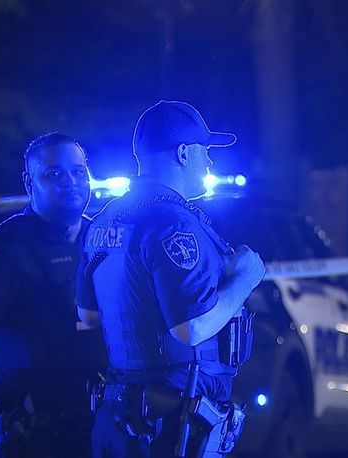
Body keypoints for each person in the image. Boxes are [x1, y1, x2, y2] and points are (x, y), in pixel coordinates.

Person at [77, 100, 265, 457]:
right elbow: (190, 328)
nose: (209, 161)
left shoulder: (104, 219)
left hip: (120, 413)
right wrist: (245, 278)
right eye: (204, 151)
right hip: (168, 423)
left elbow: (89, 316)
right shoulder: (174, 223)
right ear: (183, 153)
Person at [0, 133, 108, 458]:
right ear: (29, 182)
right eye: (54, 174)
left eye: (78, 171)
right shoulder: (8, 248)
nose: (70, 182)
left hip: (103, 429)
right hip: (33, 436)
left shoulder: (103, 240)